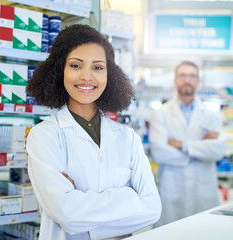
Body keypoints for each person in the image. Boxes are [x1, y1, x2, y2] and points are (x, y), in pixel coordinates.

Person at [25, 24, 161, 240]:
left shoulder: (128, 138)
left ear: (110, 74)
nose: (87, 77)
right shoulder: (44, 136)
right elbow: (67, 214)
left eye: (97, 67)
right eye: (76, 65)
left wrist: (81, 206)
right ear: (59, 70)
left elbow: (152, 209)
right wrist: (129, 197)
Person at [149, 61, 225, 227]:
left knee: (204, 232)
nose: (187, 80)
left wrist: (181, 145)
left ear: (198, 81)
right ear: (175, 80)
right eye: (182, 75)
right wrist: (200, 149)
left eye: (192, 76)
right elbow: (159, 152)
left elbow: (218, 151)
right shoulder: (160, 114)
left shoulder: (212, 116)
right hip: (172, 191)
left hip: (203, 192)